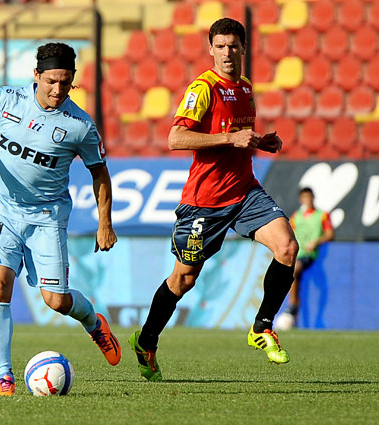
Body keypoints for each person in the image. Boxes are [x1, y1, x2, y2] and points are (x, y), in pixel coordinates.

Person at [0, 42, 120, 396]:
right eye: (51, 81)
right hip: (0, 208)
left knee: (56, 300)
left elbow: (100, 173)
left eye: (66, 82)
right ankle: (4, 376)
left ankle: (92, 321)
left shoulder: (81, 126)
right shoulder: (5, 99)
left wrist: (105, 223)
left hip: (46, 217)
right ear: (36, 75)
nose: (58, 89)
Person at [128, 18, 299, 382]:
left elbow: (235, 134)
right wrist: (230, 139)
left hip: (244, 191)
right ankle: (146, 340)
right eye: (219, 46)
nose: (226, 52)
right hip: (204, 202)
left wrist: (259, 141)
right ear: (210, 49)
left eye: (233, 46)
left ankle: (262, 326)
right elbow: (176, 138)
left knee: (287, 247)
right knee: (184, 279)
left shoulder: (245, 87)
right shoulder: (203, 88)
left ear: (244, 48)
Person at [277, 187, 334, 329]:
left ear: (313, 198)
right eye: (305, 197)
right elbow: (289, 231)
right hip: (296, 252)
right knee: (285, 273)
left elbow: (330, 234)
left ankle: (293, 305)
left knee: (295, 270)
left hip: (309, 254)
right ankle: (291, 315)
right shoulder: (296, 216)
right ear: (301, 199)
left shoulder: (322, 215)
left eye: (309, 197)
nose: (307, 200)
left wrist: (316, 241)